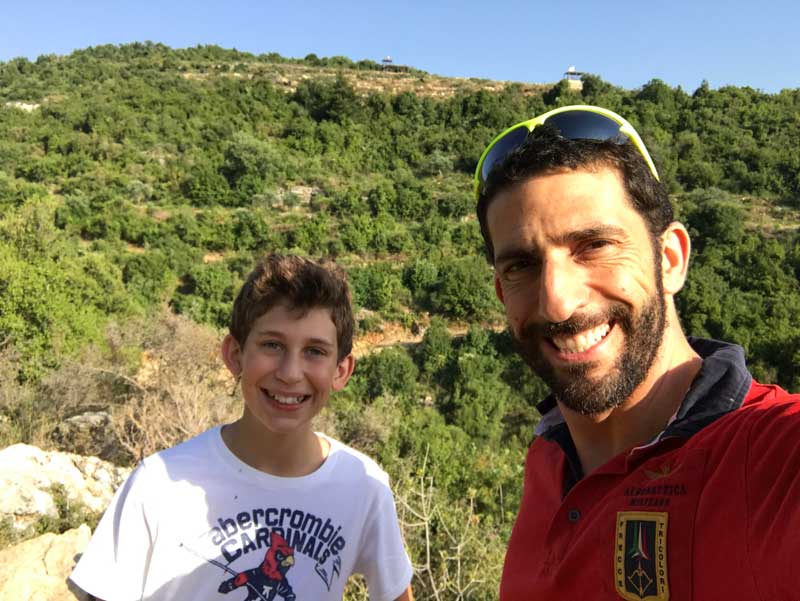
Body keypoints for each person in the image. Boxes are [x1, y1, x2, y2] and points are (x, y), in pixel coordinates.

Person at [474, 105, 800, 600]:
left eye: (594, 245)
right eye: (522, 265)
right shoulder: (548, 456)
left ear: (670, 259)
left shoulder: (770, 460)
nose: (557, 301)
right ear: (502, 293)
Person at [70, 254, 414, 601]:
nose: (290, 373)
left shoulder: (363, 487)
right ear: (235, 355)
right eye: (272, 345)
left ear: (341, 370)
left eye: (314, 351)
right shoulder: (158, 485)